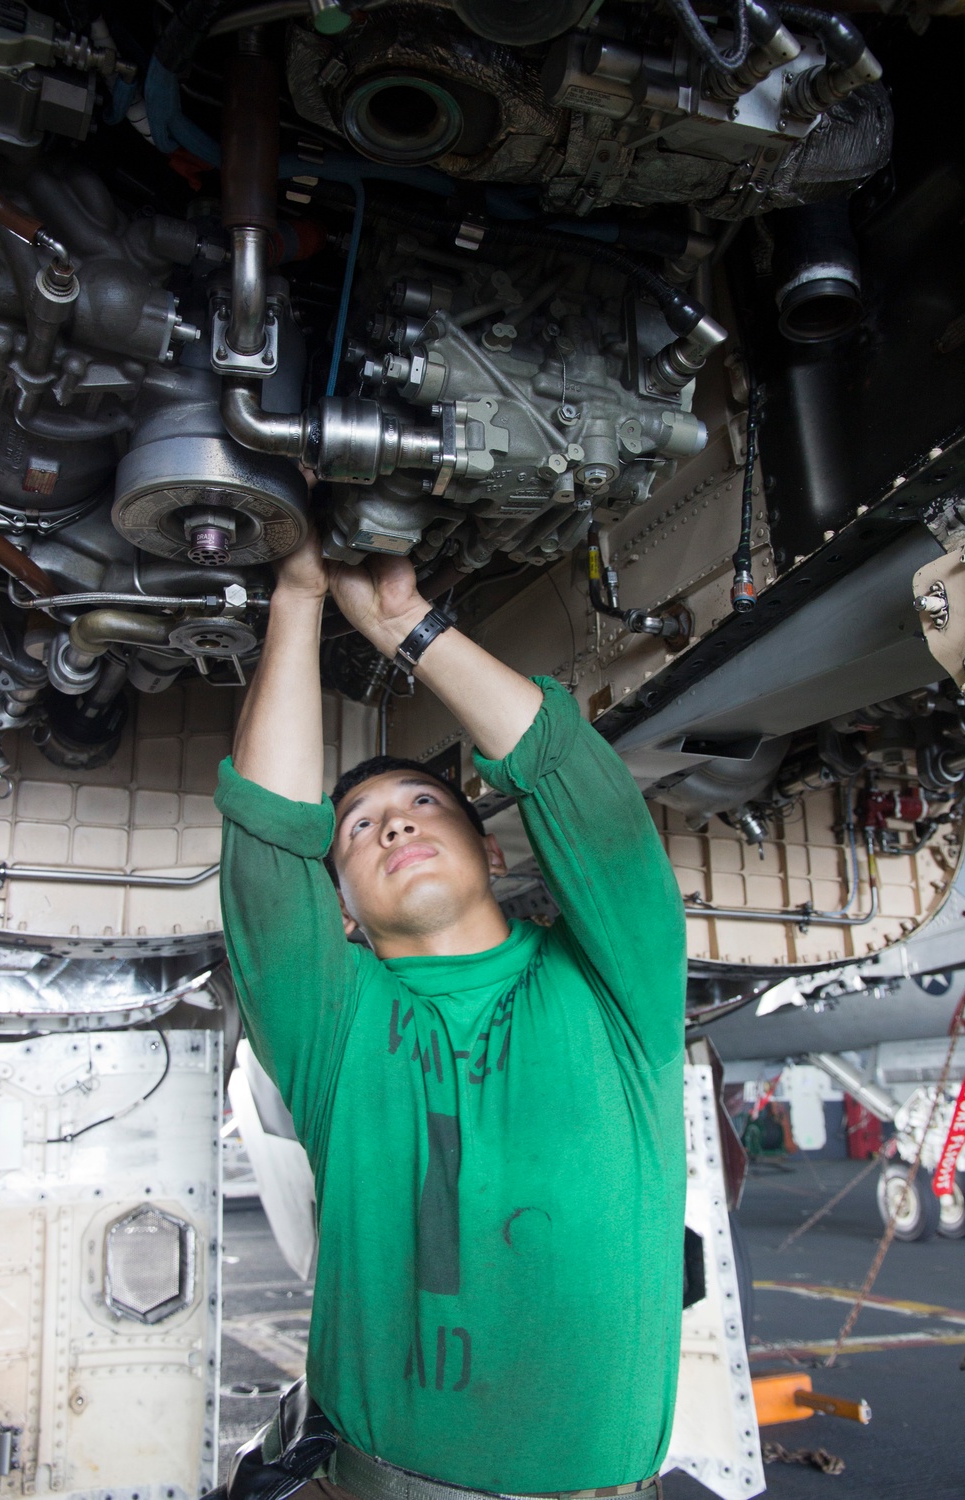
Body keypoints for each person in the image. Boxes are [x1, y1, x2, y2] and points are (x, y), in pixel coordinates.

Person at [216, 533, 688, 1500]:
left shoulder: (616, 991)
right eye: (356, 826)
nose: (393, 822)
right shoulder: (335, 1033)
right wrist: (297, 597)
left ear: (490, 853)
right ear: (339, 907)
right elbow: (267, 836)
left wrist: (404, 626)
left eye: (424, 802)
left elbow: (581, 792)